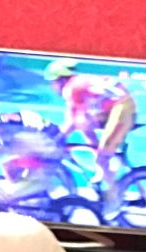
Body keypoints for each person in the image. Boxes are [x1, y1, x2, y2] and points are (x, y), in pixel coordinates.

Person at [44, 59, 136, 216]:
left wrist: (56, 139)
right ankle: (104, 166)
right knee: (85, 124)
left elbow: (71, 122)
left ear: (60, 79)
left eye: (52, 82)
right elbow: (77, 120)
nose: (52, 87)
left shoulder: (71, 88)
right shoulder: (79, 83)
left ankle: (114, 197)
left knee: (101, 152)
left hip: (121, 107)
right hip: (119, 105)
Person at [0, 111, 68, 206]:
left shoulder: (7, 122)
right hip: (45, 147)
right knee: (10, 167)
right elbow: (3, 145)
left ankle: (34, 189)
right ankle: (32, 192)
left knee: (10, 163)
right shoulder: (7, 135)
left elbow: (5, 144)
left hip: (49, 142)